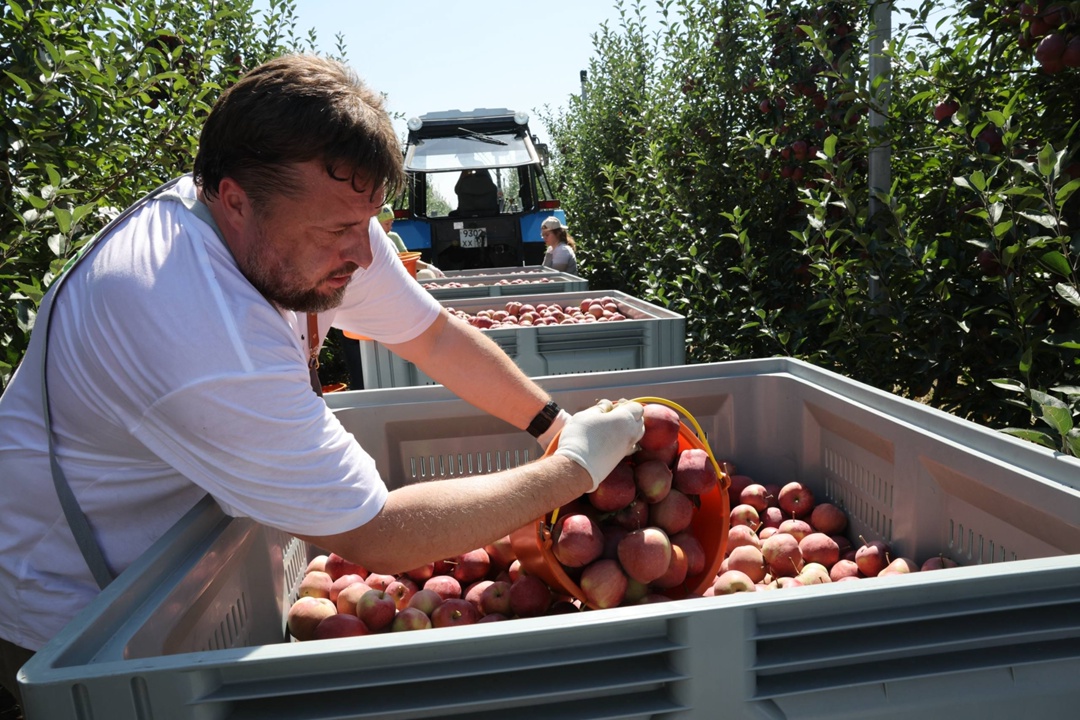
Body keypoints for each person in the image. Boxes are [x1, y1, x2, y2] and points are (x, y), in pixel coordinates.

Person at [0, 54, 644, 705]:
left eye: (368, 219)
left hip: (182, 562)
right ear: (234, 202)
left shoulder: (306, 226)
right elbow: (377, 534)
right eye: (339, 229)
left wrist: (554, 428)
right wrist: (574, 470)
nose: (366, 254)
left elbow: (432, 335)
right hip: (76, 617)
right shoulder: (193, 319)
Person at [375, 204, 444, 279]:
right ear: (376, 223)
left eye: (391, 223)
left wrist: (428, 267)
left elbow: (407, 260)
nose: (390, 227)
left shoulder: (394, 238)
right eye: (387, 224)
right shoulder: (368, 240)